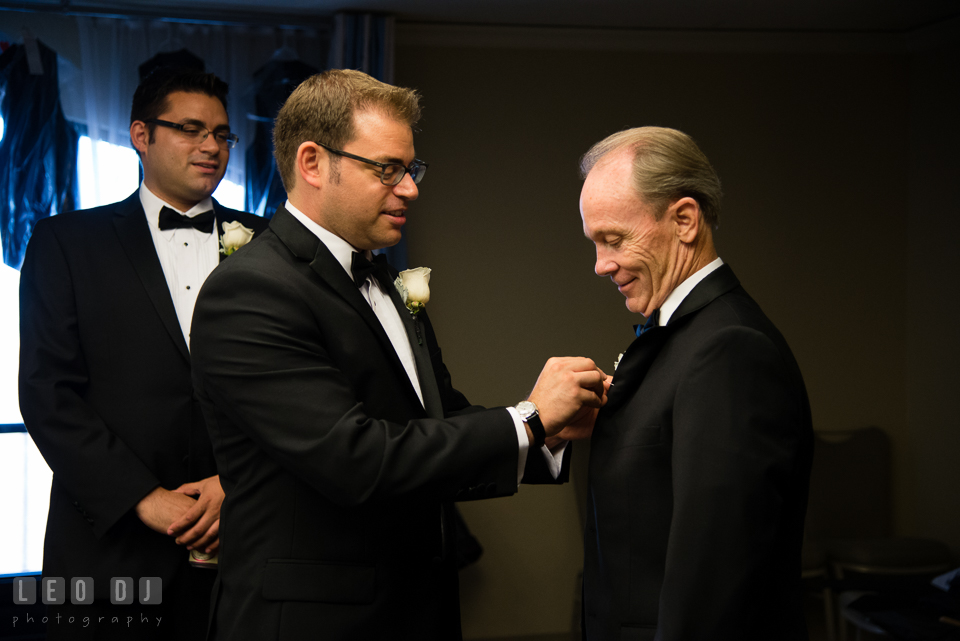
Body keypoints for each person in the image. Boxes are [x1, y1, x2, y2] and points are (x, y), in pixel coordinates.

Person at [189, 69, 606, 641]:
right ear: (312, 163)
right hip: (315, 622)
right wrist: (526, 419)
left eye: (411, 170)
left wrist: (550, 435)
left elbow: (438, 426)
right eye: (387, 169)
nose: (410, 187)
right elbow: (353, 458)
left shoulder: (385, 281)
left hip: (414, 609)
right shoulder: (251, 290)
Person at [18, 68, 267, 640]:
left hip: (245, 538)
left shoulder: (269, 243)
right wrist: (143, 498)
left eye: (223, 135)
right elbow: (47, 392)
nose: (211, 146)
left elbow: (297, 387)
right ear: (140, 135)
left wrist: (238, 483)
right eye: (190, 128)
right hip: (109, 547)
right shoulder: (67, 243)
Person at [578, 126, 813, 640]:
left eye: (613, 239)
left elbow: (713, 579)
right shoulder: (684, 336)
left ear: (684, 220)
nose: (600, 265)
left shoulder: (729, 350)